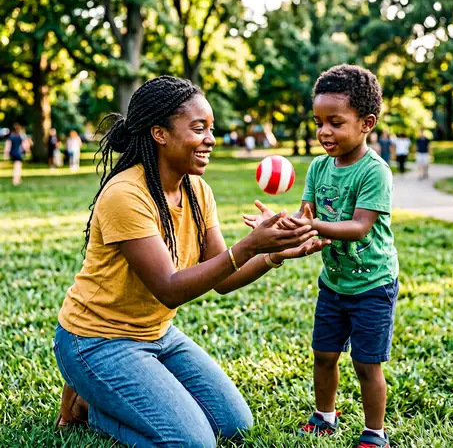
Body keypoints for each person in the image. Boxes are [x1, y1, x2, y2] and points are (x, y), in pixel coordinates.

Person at [53, 76, 329, 448]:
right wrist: (249, 245)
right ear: (160, 134)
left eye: (210, 128)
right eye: (199, 128)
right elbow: (169, 288)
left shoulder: (197, 190)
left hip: (158, 334)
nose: (211, 139)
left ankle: (98, 400)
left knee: (235, 425)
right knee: (193, 444)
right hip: (97, 341)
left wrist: (272, 253)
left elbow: (223, 277)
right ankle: (91, 406)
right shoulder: (125, 195)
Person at [244, 64, 398, 448]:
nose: (324, 132)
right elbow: (307, 215)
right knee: (324, 354)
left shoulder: (374, 172)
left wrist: (312, 228)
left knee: (366, 364)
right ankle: (325, 416)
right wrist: (283, 223)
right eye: (318, 122)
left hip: (372, 284)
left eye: (335, 122)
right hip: (333, 283)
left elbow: (359, 226)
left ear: (366, 123)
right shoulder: (317, 167)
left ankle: (374, 433)